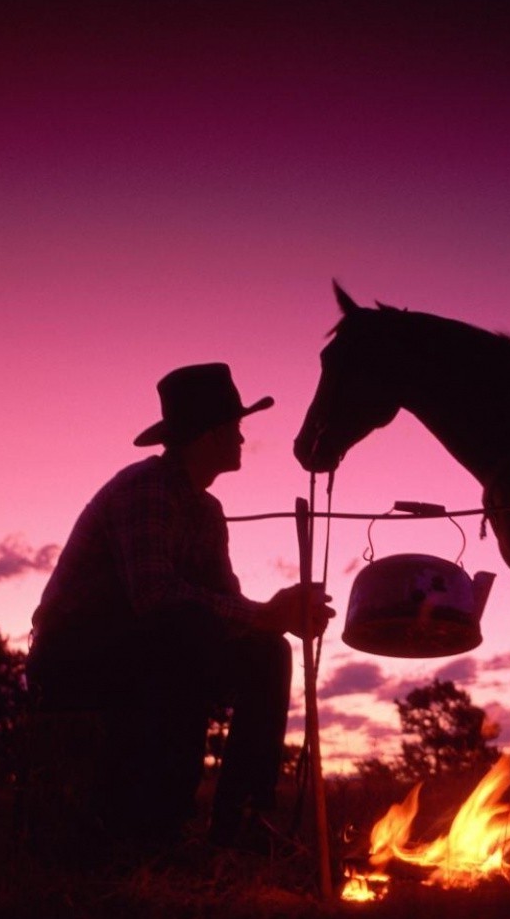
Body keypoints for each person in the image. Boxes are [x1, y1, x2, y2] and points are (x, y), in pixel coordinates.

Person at [27, 363, 332, 852]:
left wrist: (280, 617)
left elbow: (225, 607)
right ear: (211, 435)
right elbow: (154, 597)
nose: (240, 439)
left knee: (266, 652)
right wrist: (264, 614)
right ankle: (152, 824)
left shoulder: (207, 512)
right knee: (182, 634)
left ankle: (243, 820)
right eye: (235, 428)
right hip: (74, 654)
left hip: (146, 647)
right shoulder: (144, 489)